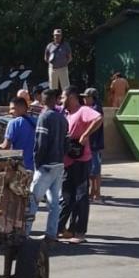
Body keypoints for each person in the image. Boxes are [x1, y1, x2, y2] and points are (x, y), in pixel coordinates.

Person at [58, 86, 103, 244]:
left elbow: (98, 118)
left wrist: (85, 134)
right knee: (67, 196)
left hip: (81, 161)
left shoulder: (83, 110)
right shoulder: (66, 113)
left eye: (63, 97)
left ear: (71, 97)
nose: (61, 101)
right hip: (68, 161)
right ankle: (65, 230)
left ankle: (79, 232)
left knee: (80, 196)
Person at [26, 89, 68, 243]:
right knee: (54, 202)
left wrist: (38, 163)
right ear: (55, 100)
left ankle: (25, 232)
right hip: (58, 164)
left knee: (32, 199)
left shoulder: (44, 117)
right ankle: (52, 233)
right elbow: (67, 143)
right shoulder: (62, 119)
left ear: (43, 101)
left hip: (45, 165)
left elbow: (40, 143)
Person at [0, 97, 36, 171]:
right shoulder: (37, 121)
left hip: (20, 169)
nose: (10, 111)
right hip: (36, 168)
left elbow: (6, 146)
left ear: (21, 108)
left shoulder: (13, 123)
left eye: (13, 108)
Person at [82, 88, 105, 202]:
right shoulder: (90, 109)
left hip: (95, 145)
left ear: (93, 98)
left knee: (95, 171)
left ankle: (97, 194)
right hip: (91, 145)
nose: (84, 99)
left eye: (87, 97)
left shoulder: (96, 110)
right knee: (92, 171)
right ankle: (92, 193)